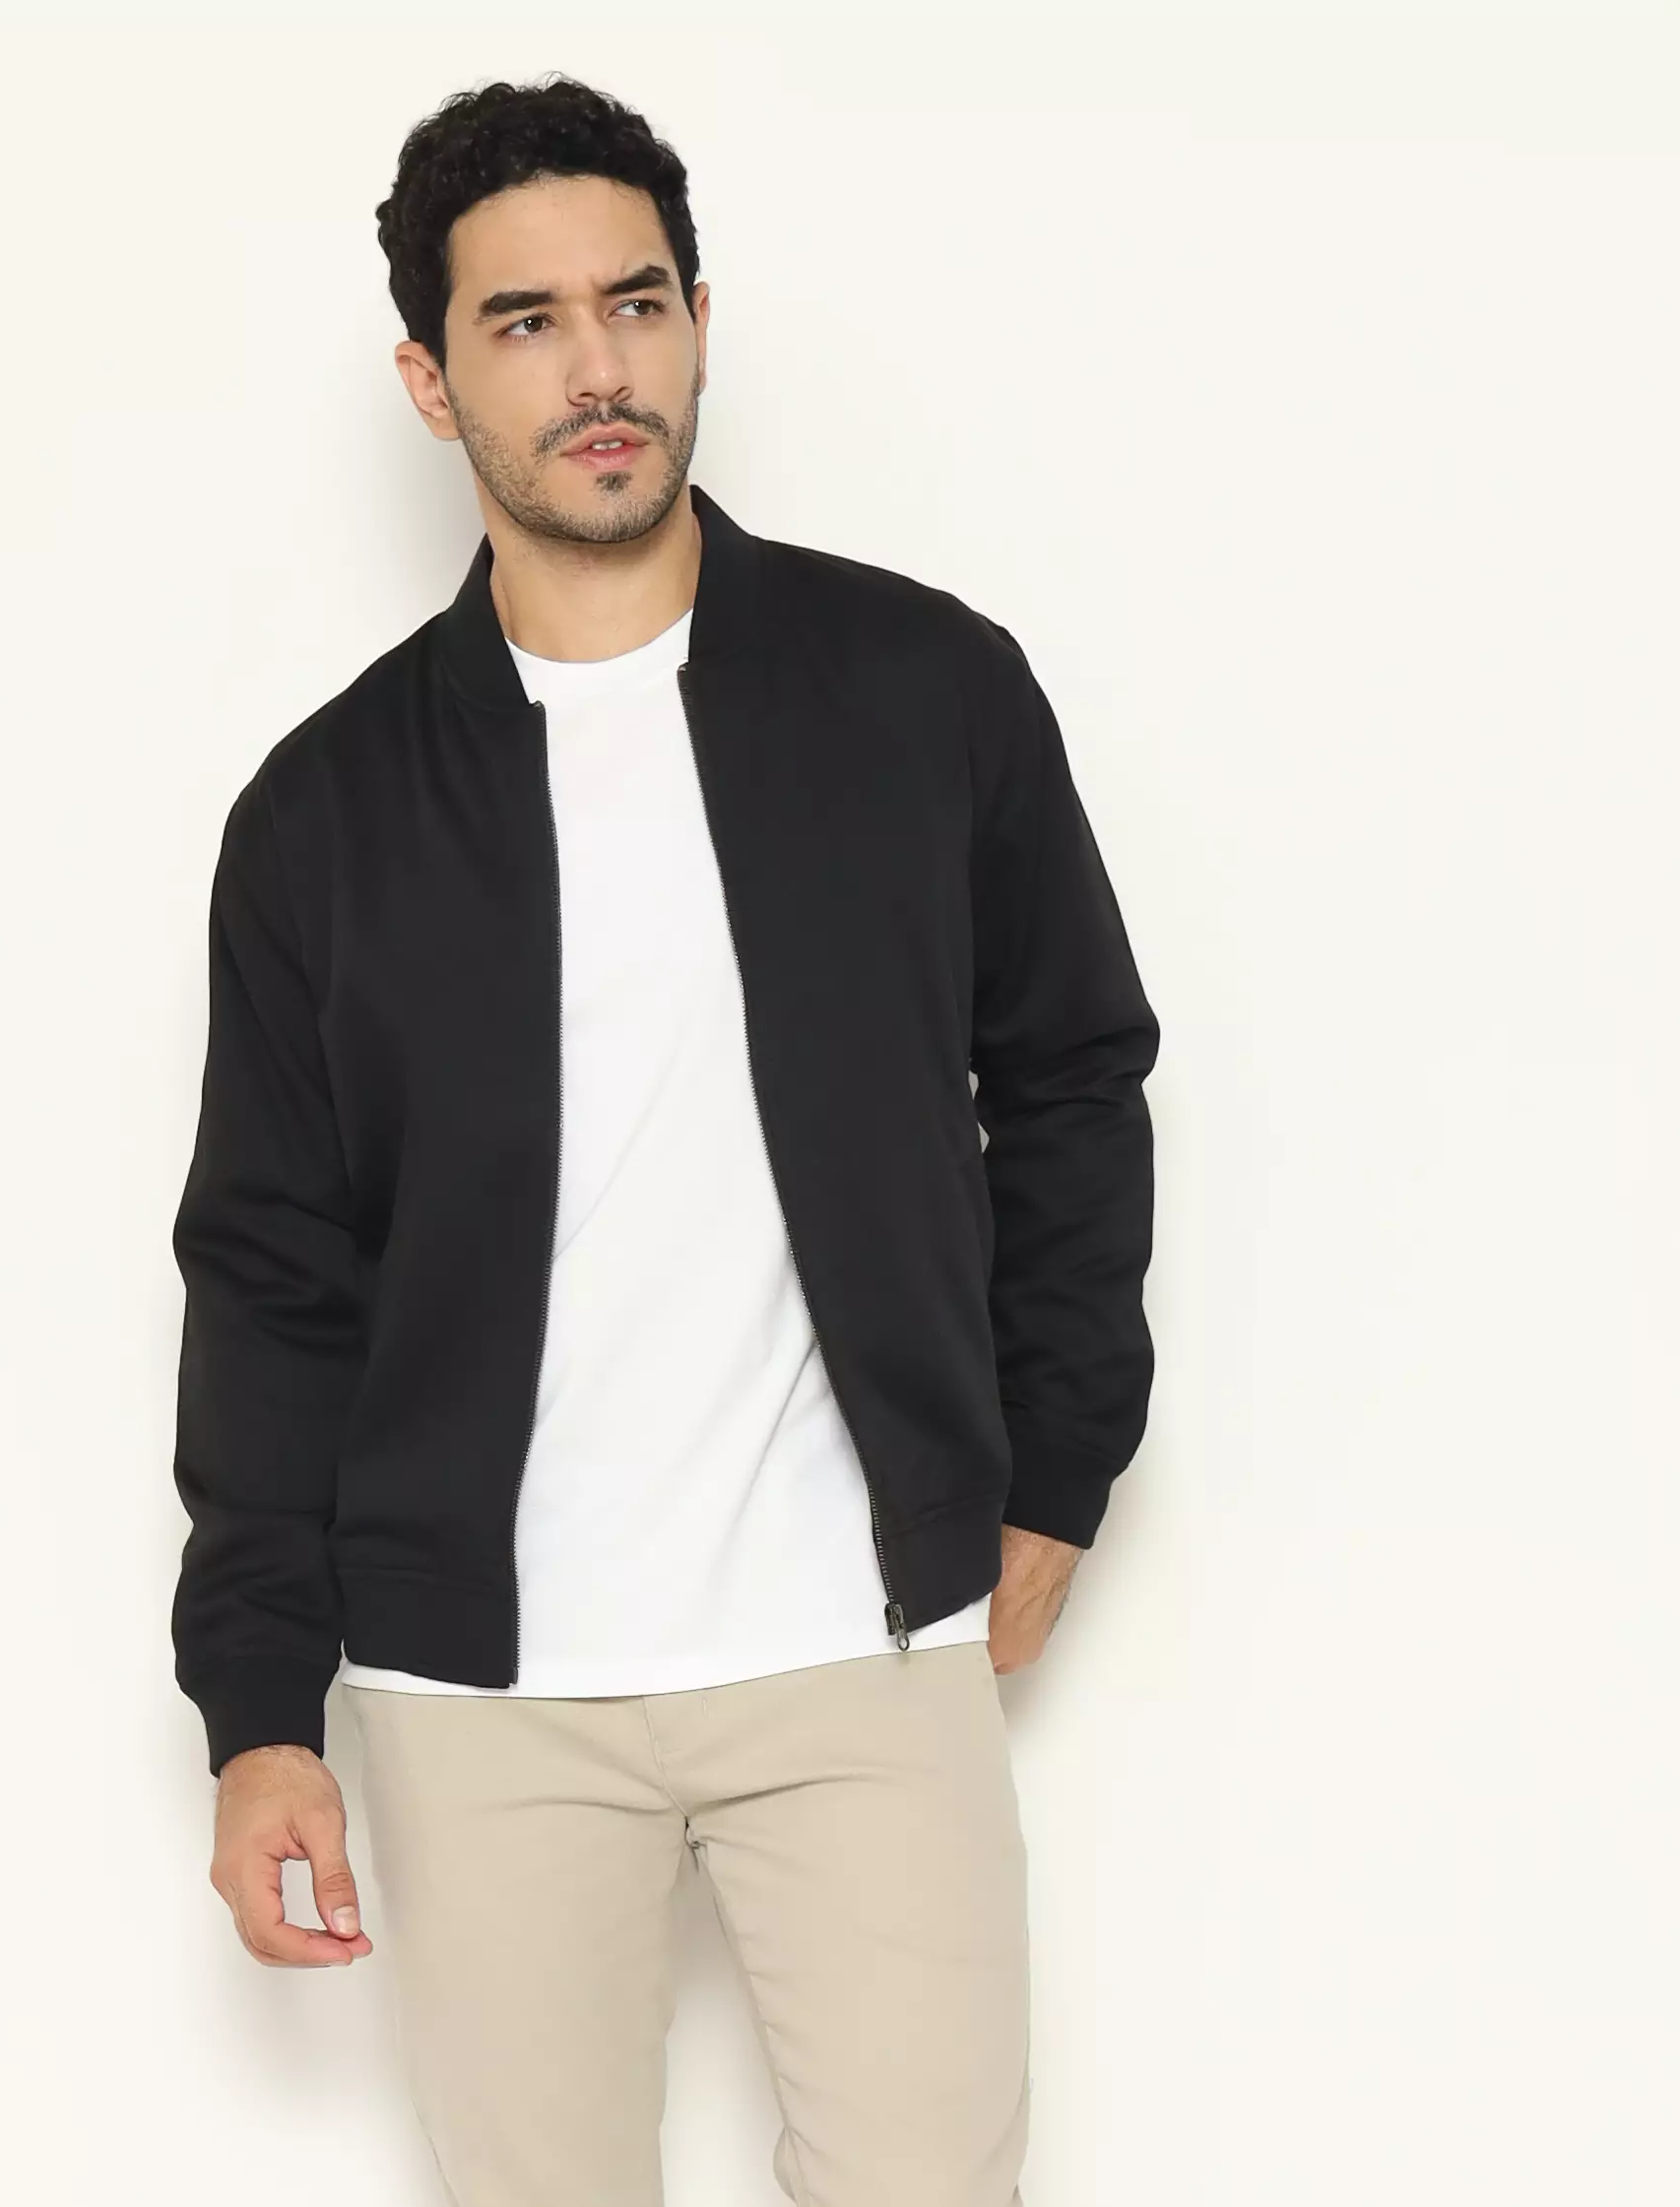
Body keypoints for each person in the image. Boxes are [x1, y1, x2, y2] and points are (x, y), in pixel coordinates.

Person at [169, 73, 1160, 2207]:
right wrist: (257, 1706)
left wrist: (1059, 1458)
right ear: (431, 380)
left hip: (857, 1643)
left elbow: (1072, 1072)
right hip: (482, 1690)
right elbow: (268, 1267)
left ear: (701, 320)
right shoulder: (325, 817)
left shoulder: (924, 693)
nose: (597, 370)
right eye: (523, 323)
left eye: (634, 303)